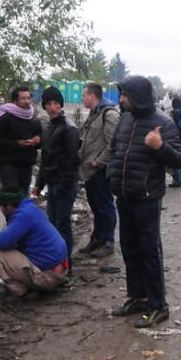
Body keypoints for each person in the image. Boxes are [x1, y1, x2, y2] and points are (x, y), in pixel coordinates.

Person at [107, 75, 181, 328]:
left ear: (137, 96)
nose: (121, 99)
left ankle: (158, 305)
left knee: (149, 251)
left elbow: (179, 161)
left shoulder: (163, 123)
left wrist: (159, 146)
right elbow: (115, 149)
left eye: (125, 94)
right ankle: (138, 297)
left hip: (147, 197)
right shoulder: (125, 118)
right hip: (123, 195)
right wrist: (111, 174)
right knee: (128, 248)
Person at [0, 188, 69, 299]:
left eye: (1, 207)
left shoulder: (23, 216)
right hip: (61, 266)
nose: (0, 210)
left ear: (8, 206)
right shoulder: (31, 208)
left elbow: (2, 241)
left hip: (50, 276)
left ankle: (24, 291)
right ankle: (36, 285)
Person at [33, 86, 80, 265]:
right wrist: (39, 183)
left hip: (64, 184)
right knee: (52, 223)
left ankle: (66, 264)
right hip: (52, 183)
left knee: (62, 224)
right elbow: (46, 158)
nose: (52, 107)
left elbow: (72, 160)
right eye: (48, 104)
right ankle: (55, 261)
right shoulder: (49, 127)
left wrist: (63, 184)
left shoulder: (69, 128)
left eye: (55, 103)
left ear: (61, 105)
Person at [77, 83, 120, 258]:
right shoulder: (95, 114)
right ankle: (97, 239)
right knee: (96, 206)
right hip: (89, 170)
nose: (82, 98)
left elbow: (113, 143)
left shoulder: (109, 114)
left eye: (84, 95)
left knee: (105, 206)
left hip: (99, 170)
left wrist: (99, 162)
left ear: (92, 96)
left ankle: (108, 242)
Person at [0, 86, 42, 196]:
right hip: (9, 165)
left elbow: (40, 142)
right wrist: (17, 144)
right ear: (14, 101)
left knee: (22, 199)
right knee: (11, 198)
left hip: (26, 166)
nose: (27, 101)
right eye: (23, 98)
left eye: (28, 98)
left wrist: (38, 141)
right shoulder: (5, 118)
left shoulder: (33, 120)